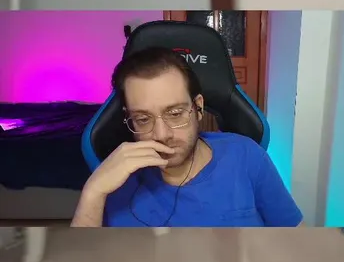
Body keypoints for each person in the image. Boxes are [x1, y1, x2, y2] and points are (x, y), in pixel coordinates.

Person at [70, 47, 303, 228]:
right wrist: (93, 191)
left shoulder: (246, 156)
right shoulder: (117, 178)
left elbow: (296, 240)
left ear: (198, 108)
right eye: (142, 119)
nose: (161, 135)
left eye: (174, 114)